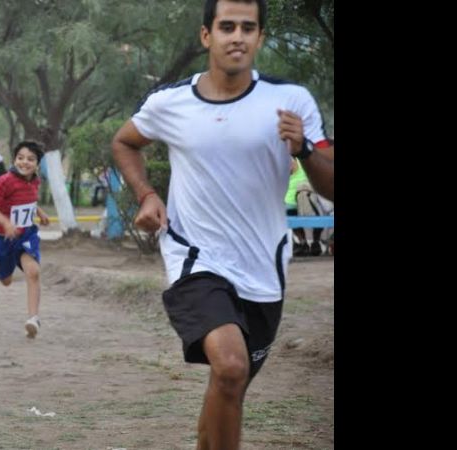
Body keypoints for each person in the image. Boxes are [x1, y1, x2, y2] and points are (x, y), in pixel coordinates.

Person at [110, 1, 334, 448]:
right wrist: (147, 194)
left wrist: (304, 149)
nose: (238, 36)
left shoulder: (290, 102)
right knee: (230, 366)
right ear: (206, 36)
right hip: (194, 257)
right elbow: (124, 141)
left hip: (263, 268)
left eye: (248, 28)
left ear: (260, 38)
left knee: (230, 385)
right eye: (227, 26)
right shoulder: (171, 102)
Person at [0, 141, 50, 338]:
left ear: (37, 164)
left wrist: (40, 212)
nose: (25, 162)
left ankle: (33, 319)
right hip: (4, 237)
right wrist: (5, 223)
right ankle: (4, 269)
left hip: (26, 234)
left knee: (34, 272)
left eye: (30, 159)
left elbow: (29, 200)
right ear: (14, 160)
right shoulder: (5, 181)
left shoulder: (35, 181)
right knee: (6, 280)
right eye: (20, 158)